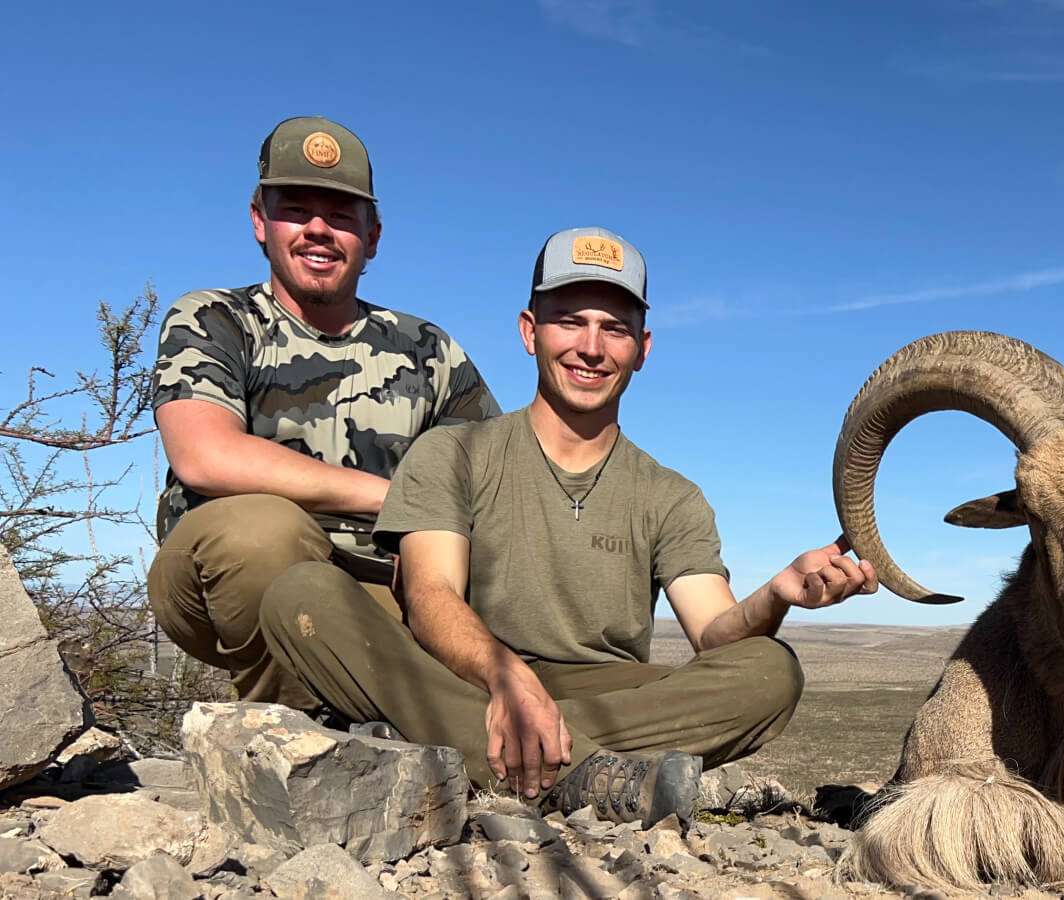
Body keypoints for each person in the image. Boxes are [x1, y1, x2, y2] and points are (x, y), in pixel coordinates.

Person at [257, 226, 877, 826]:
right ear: (530, 333)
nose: (590, 347)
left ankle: (474, 746)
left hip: (602, 691)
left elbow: (715, 636)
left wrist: (776, 595)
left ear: (643, 348)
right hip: (466, 671)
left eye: (614, 328)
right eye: (569, 321)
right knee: (300, 596)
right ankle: (582, 773)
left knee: (770, 671)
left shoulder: (672, 496)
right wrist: (507, 677)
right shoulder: (452, 454)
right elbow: (429, 595)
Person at [148, 116, 497, 710]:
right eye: (296, 210)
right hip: (228, 579)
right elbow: (205, 456)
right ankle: (296, 735)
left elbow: (490, 483)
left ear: (373, 236)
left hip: (383, 589)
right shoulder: (214, 319)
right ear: (259, 220)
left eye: (340, 215)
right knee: (262, 533)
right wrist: (393, 499)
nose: (318, 230)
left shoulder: (429, 349)